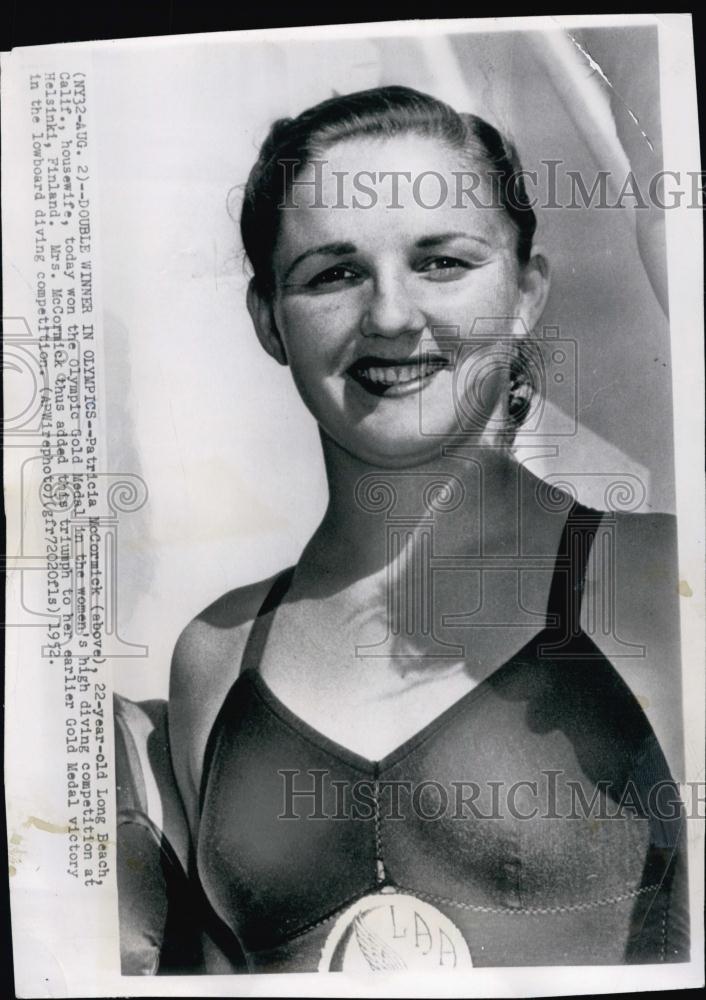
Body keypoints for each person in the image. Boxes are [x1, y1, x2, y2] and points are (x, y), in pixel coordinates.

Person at [167, 86, 688, 973]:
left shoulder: (663, 587)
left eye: (442, 262)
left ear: (526, 293)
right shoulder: (214, 659)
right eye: (334, 273)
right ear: (268, 322)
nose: (392, 315)